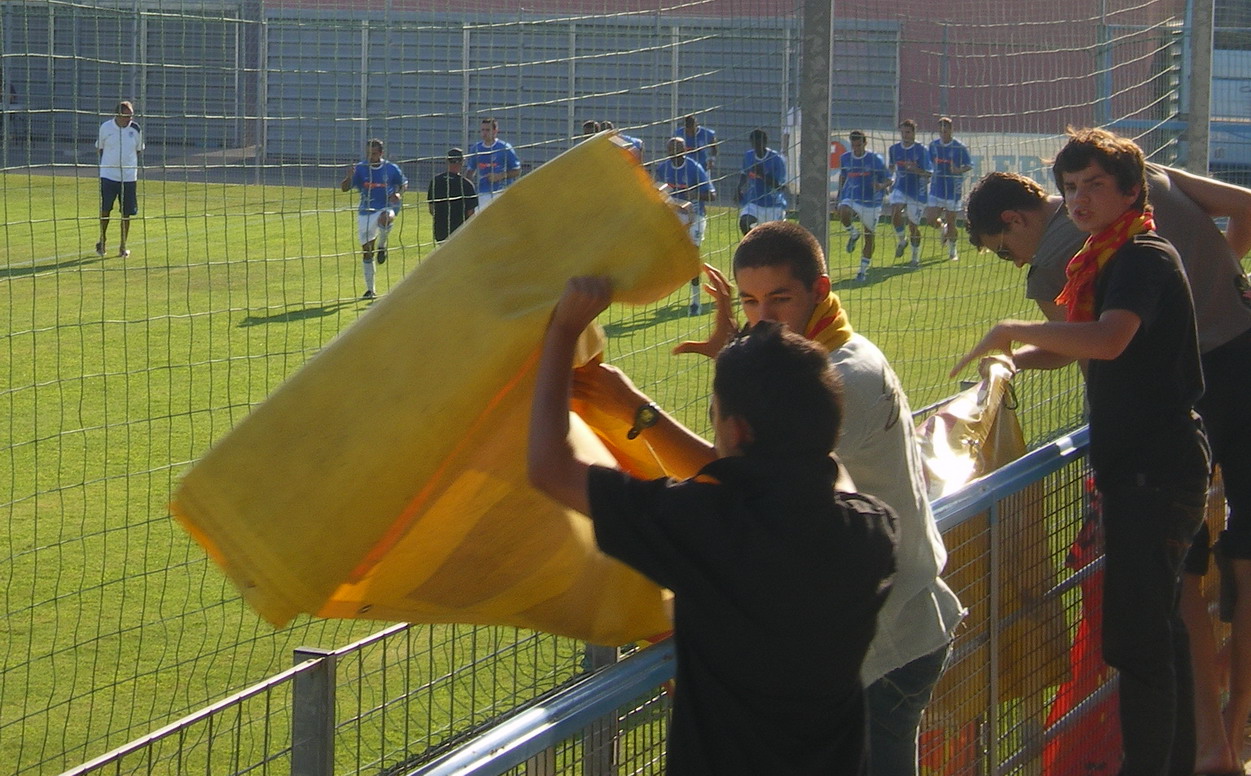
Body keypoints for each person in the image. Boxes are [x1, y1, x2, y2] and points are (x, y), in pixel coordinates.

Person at [528, 278, 898, 774]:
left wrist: (563, 329)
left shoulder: (705, 526)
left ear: (735, 429)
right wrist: (754, 369)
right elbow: (824, 472)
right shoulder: (873, 531)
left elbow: (550, 468)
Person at [965, 165, 1251, 776]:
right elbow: (1245, 208)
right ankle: (1224, 735)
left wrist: (1013, 339)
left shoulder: (1095, 259)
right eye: (1071, 189)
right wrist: (1214, 298)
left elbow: (1102, 348)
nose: (1077, 202)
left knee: (1162, 615)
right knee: (1223, 571)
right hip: (1240, 358)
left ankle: (1209, 748)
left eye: (1003, 249)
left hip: (1164, 444)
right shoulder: (1145, 196)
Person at [669, 221, 965, 774]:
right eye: (750, 301)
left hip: (885, 648)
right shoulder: (815, 359)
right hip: (885, 629)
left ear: (820, 291)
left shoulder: (838, 377)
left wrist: (632, 407)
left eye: (780, 298)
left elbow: (735, 480)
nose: (762, 318)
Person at [655, 136, 715, 315]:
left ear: (684, 150)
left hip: (695, 215)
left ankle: (695, 301)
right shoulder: (662, 168)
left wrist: (694, 194)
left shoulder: (694, 168)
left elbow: (712, 195)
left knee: (693, 255)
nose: (673, 152)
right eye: (670, 148)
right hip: (673, 216)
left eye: (677, 148)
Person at [340, 138, 407, 300]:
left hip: (385, 206)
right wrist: (349, 177)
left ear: (381, 153)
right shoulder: (361, 169)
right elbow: (344, 188)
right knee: (367, 252)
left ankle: (382, 245)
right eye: (369, 153)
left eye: (374, 154)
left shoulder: (391, 168)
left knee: (386, 218)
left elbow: (403, 183)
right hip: (366, 212)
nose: (371, 157)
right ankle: (371, 290)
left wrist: (398, 193)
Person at [837, 130, 891, 281]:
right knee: (843, 210)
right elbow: (843, 176)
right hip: (852, 197)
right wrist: (840, 196)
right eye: (853, 145)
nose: (856, 149)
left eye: (859, 145)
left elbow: (889, 179)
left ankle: (862, 271)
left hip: (871, 202)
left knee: (869, 237)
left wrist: (880, 186)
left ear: (865, 143)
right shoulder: (845, 158)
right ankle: (853, 233)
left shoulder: (875, 159)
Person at [95, 100, 144, 259]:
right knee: (105, 209)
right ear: (117, 115)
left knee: (126, 213)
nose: (129, 119)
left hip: (129, 178)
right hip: (108, 176)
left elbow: (138, 150)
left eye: (131, 116)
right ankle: (102, 240)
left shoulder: (136, 129)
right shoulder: (105, 127)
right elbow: (100, 148)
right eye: (126, 116)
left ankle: (123, 246)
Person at [926, 117, 972, 262]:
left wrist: (958, 170)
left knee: (952, 221)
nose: (943, 132)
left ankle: (953, 251)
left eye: (946, 129)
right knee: (930, 218)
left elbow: (969, 165)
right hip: (936, 187)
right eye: (941, 129)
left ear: (951, 130)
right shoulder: (933, 146)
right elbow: (928, 163)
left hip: (952, 189)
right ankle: (942, 229)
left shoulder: (959, 147)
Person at [887, 119, 932, 268]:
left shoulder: (921, 150)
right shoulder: (894, 149)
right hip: (900, 187)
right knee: (894, 212)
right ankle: (902, 240)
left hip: (917, 191)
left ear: (914, 133)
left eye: (908, 132)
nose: (905, 135)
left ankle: (915, 257)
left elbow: (928, 173)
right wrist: (888, 180)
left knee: (913, 226)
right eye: (902, 132)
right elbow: (892, 167)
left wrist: (915, 170)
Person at [736, 128, 788, 235]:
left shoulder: (777, 159)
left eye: (759, 143)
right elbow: (744, 173)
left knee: (773, 237)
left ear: (765, 142)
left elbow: (780, 187)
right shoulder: (748, 156)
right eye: (754, 143)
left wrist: (762, 175)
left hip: (773, 205)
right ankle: (752, 243)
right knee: (744, 222)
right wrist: (739, 188)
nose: (756, 146)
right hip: (754, 202)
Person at [467, 117, 521, 209]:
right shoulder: (476, 148)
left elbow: (517, 171)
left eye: (488, 130)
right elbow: (470, 171)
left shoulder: (504, 148)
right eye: (482, 130)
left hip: (502, 192)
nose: (484, 133)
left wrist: (500, 176)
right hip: (482, 193)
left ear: (495, 131)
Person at [427, 147, 477, 243]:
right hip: (460, 231)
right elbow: (470, 214)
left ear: (447, 160)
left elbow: (431, 209)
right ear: (462, 161)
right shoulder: (466, 185)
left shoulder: (436, 181)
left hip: (440, 229)